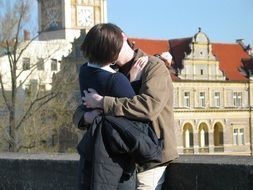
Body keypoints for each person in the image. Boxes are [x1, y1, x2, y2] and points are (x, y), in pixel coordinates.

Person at [78, 23, 179, 190]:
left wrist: (103, 102)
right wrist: (85, 117)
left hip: (148, 158)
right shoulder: (107, 69)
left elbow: (149, 107)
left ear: (123, 37)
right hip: (119, 158)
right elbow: (83, 106)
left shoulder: (153, 66)